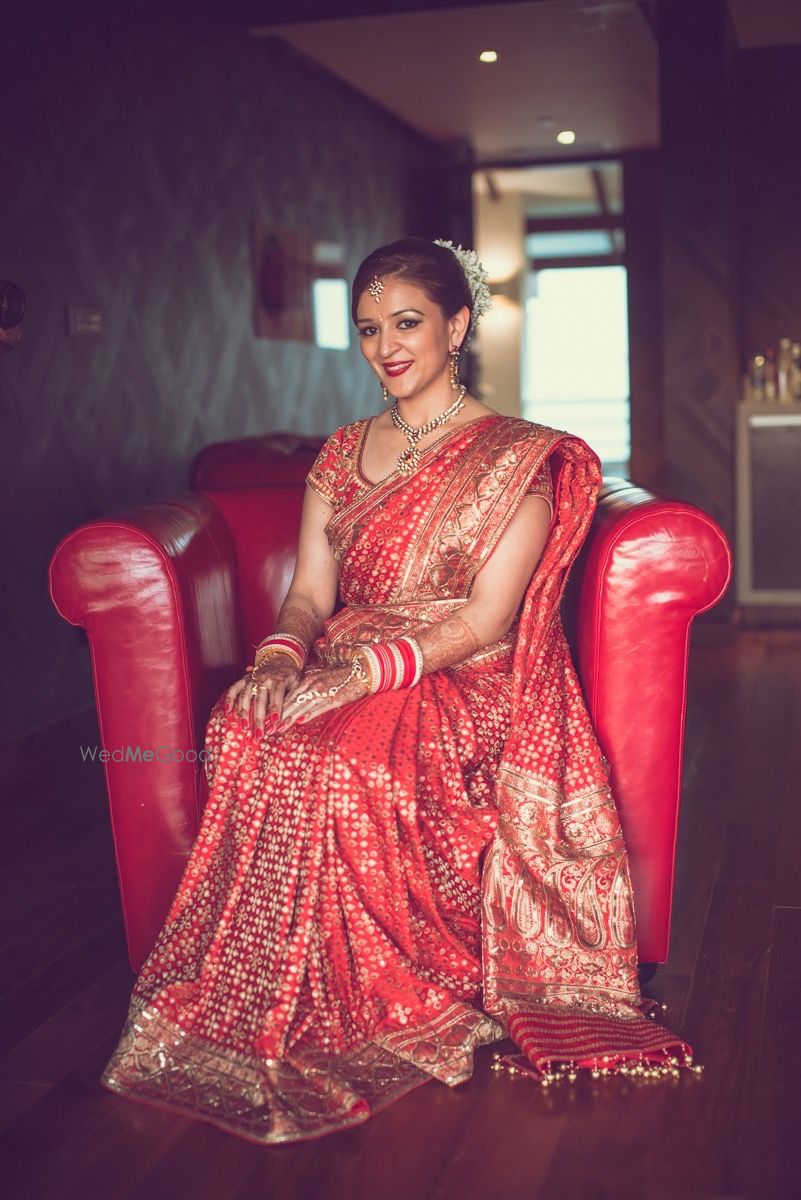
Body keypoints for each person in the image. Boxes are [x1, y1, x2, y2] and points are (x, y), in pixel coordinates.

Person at [100, 237, 698, 1145]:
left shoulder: (516, 458)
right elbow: (307, 592)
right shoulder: (342, 454)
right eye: (370, 328)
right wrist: (276, 663)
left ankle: (387, 993)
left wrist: (354, 678)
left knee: (343, 757)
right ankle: (270, 985)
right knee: (244, 727)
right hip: (347, 649)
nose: (387, 345)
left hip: (458, 674)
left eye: (407, 322)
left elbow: (486, 621)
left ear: (456, 325)